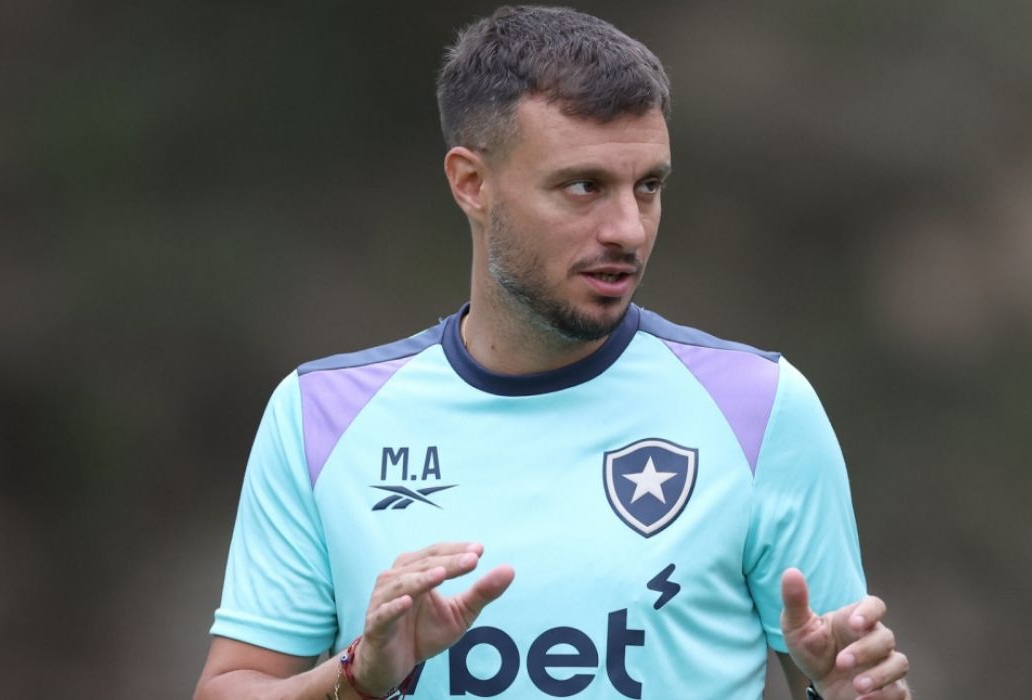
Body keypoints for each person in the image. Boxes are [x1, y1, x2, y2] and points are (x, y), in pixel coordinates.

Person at [194, 6, 910, 700]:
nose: (628, 228)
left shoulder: (761, 409)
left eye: (648, 186)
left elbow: (841, 675)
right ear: (471, 183)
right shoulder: (320, 418)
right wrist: (357, 679)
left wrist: (846, 697)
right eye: (583, 187)